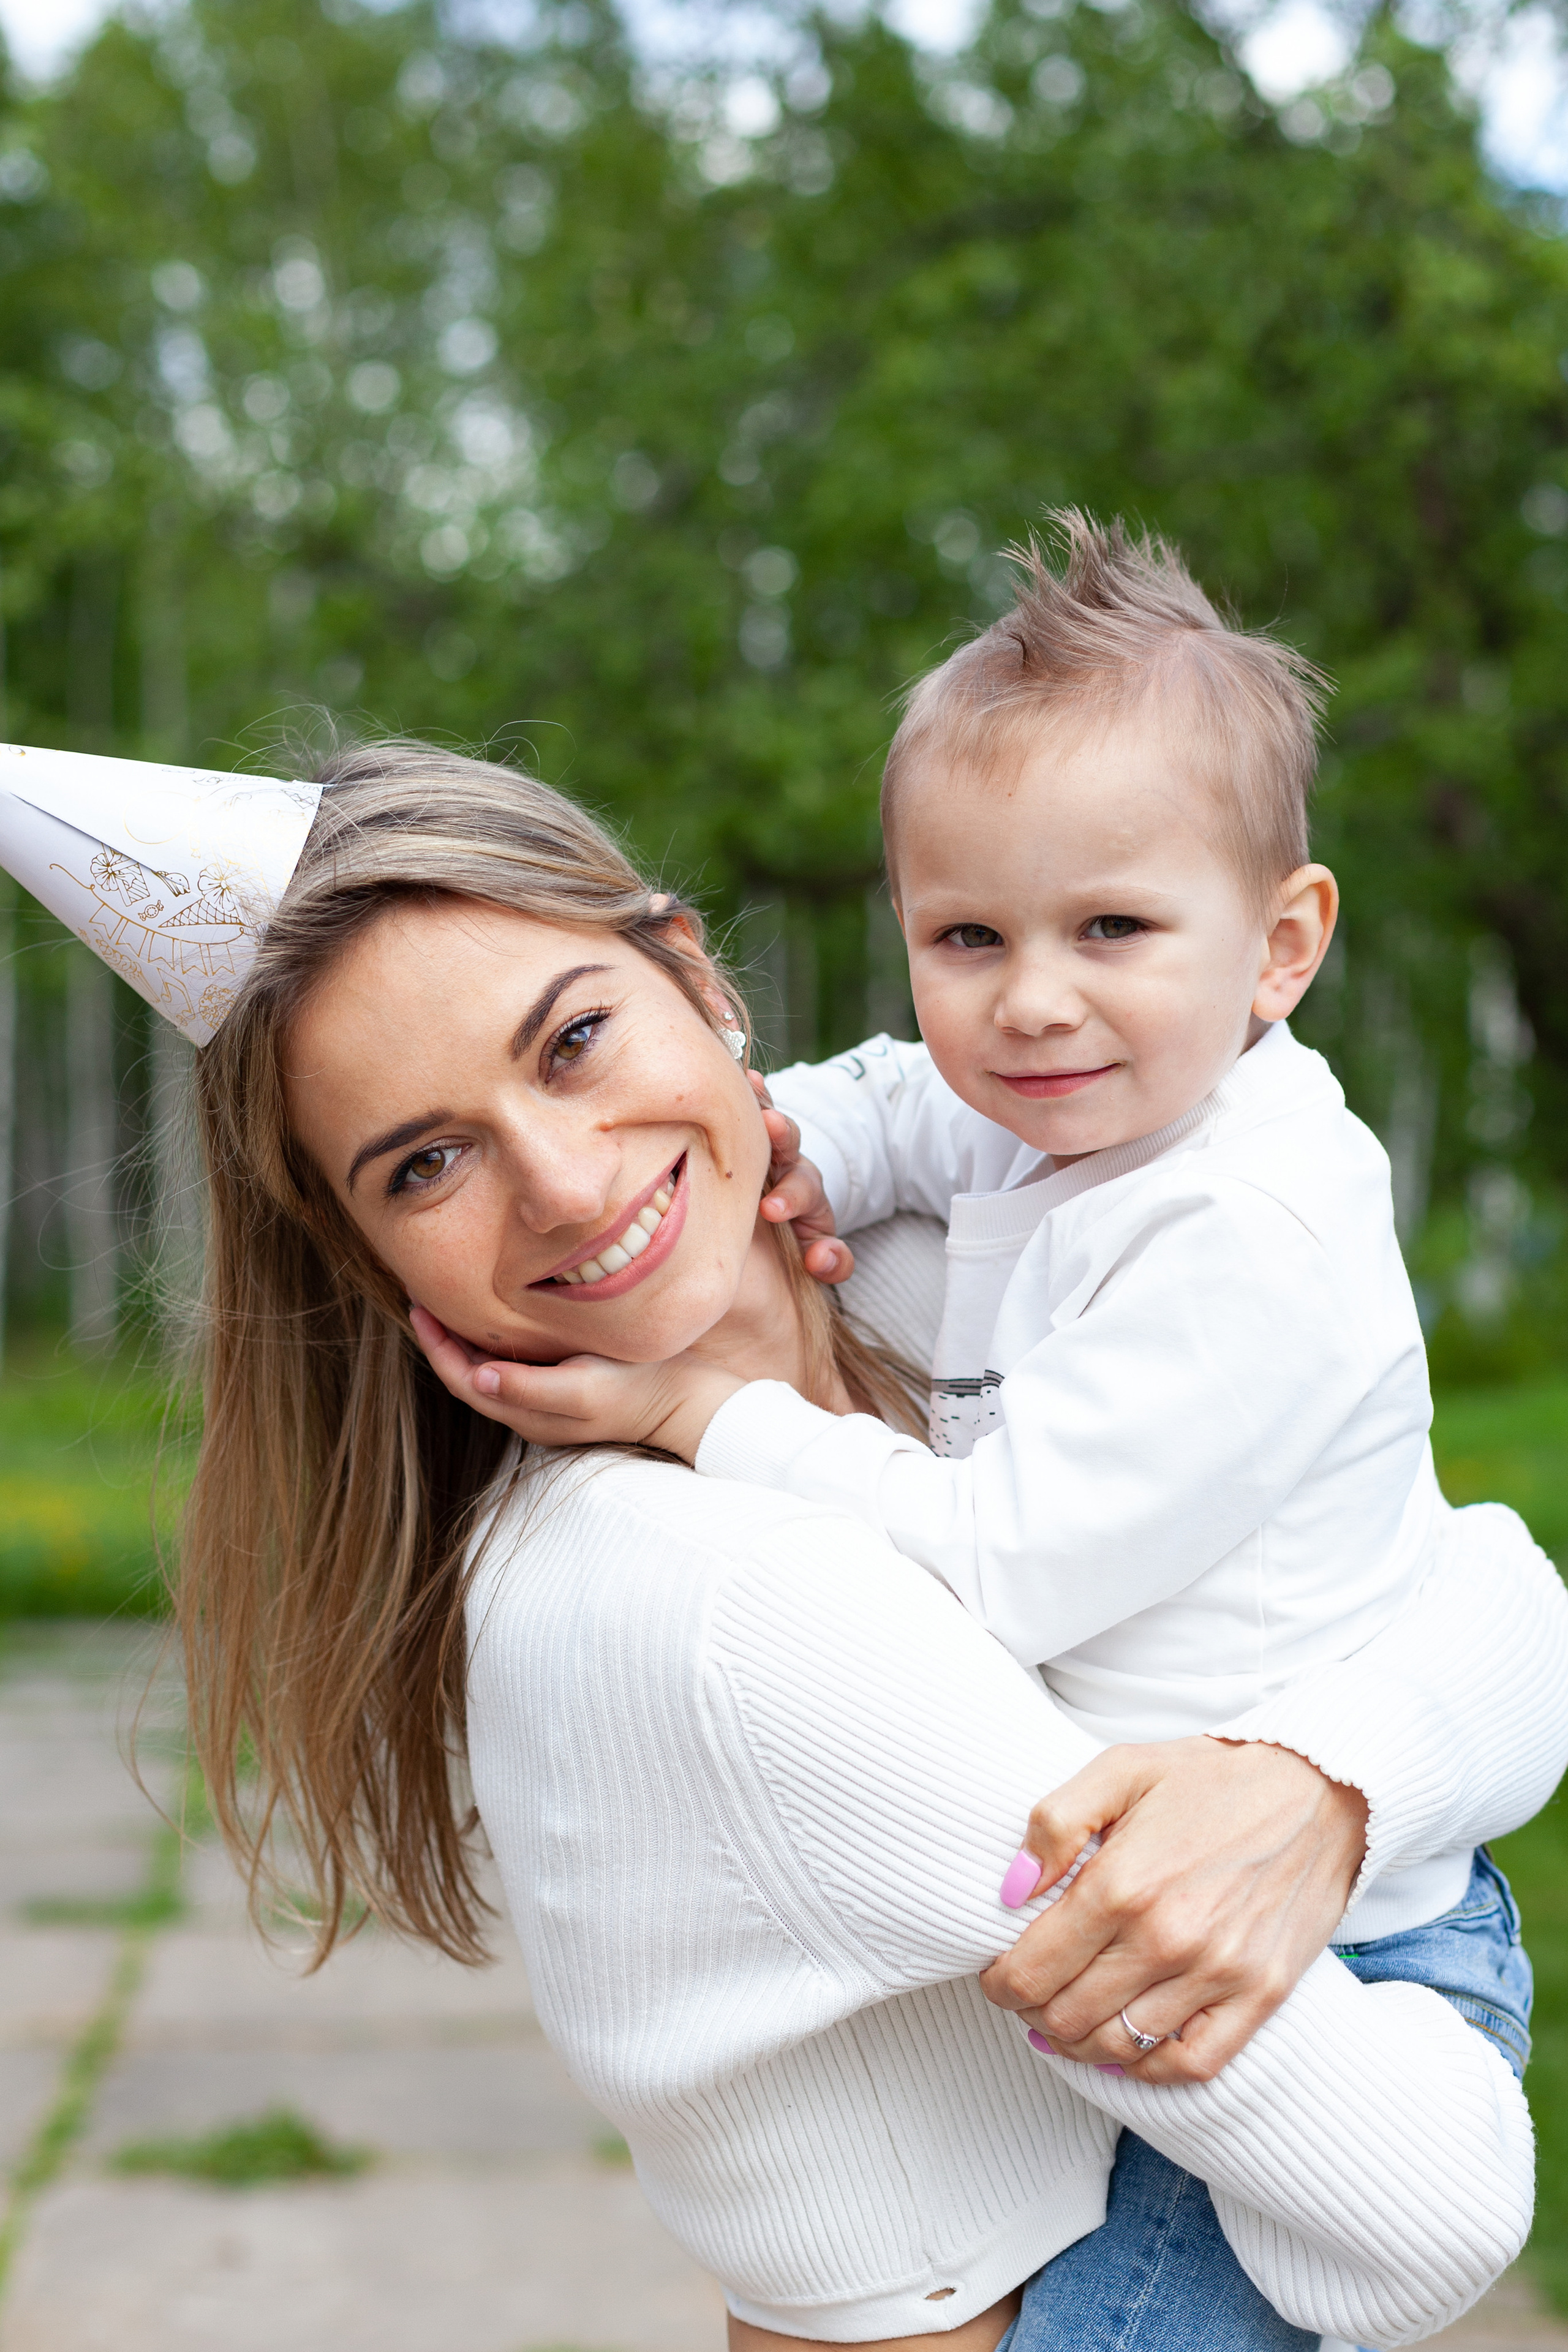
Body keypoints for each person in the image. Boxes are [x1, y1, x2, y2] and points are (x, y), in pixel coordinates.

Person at [153, 739, 1561, 2352]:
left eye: (575, 1040)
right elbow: (1429, 2198)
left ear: (695, 976)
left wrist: (1321, 1782)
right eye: (427, 1163)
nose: (564, 1183)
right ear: (367, 1251)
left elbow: (1478, 1572)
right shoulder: (712, 1593)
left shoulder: (955, 1266)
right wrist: (1375, 1763)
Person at [466, 514, 1533, 2083]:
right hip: (1147, 1872)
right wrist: (785, 1148)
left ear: (1279, 944)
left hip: (1330, 1942)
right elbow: (899, 1096)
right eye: (966, 937)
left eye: (1111, 928)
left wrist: (703, 1413)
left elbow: (1001, 1568)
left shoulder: (1244, 1223)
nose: (1031, 1001)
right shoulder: (1080, 1104)